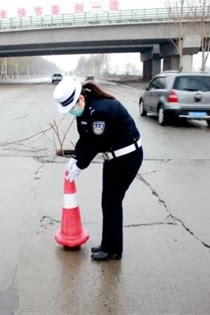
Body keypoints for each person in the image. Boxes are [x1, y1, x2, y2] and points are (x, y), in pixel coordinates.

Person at [53, 77, 143, 261]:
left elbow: (95, 143)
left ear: (80, 98)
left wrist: (79, 166)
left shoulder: (101, 111)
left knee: (112, 202)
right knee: (108, 202)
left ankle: (113, 249)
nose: (72, 112)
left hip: (127, 158)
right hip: (113, 158)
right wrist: (76, 157)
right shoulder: (85, 110)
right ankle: (107, 244)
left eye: (72, 108)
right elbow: (85, 138)